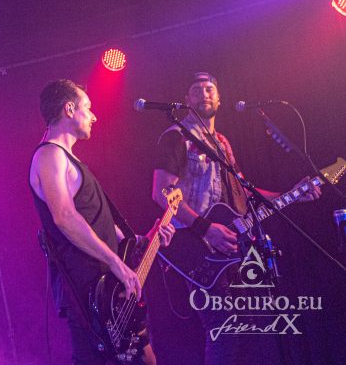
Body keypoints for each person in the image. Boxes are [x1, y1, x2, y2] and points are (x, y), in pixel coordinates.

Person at [150, 71, 321, 365]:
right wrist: (205, 229)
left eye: (209, 89)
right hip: (193, 244)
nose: (204, 94)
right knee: (223, 327)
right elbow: (162, 192)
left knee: (250, 325)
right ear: (186, 99)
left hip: (228, 245)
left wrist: (291, 194)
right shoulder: (177, 137)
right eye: (196, 90)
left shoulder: (222, 143)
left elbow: (244, 193)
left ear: (219, 99)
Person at [29, 79, 174, 365]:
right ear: (69, 109)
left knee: (146, 358)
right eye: (87, 107)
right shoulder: (49, 155)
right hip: (88, 291)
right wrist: (116, 263)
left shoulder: (71, 161)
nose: (94, 116)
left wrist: (144, 241)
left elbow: (97, 224)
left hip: (109, 287)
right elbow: (65, 217)